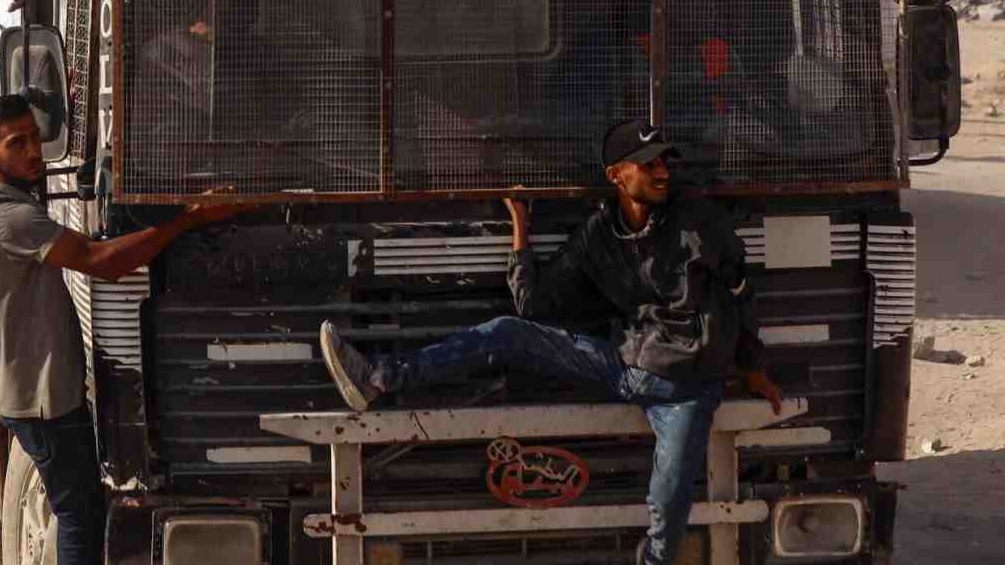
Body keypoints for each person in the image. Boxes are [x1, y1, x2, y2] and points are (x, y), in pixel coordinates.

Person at [318, 119, 783, 565]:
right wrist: (520, 233)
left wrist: (754, 367)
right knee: (506, 333)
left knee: (671, 496)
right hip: (624, 364)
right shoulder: (596, 236)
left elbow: (742, 293)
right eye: (649, 164)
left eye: (665, 161)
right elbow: (535, 306)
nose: (663, 171)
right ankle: (378, 379)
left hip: (686, 389)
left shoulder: (699, 221)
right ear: (617, 176)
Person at [0, 95, 253, 565]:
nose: (33, 152)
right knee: (79, 515)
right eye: (18, 143)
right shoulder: (10, 215)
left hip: (32, 389)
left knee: (80, 509)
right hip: (44, 397)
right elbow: (103, 262)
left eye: (35, 138)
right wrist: (191, 219)